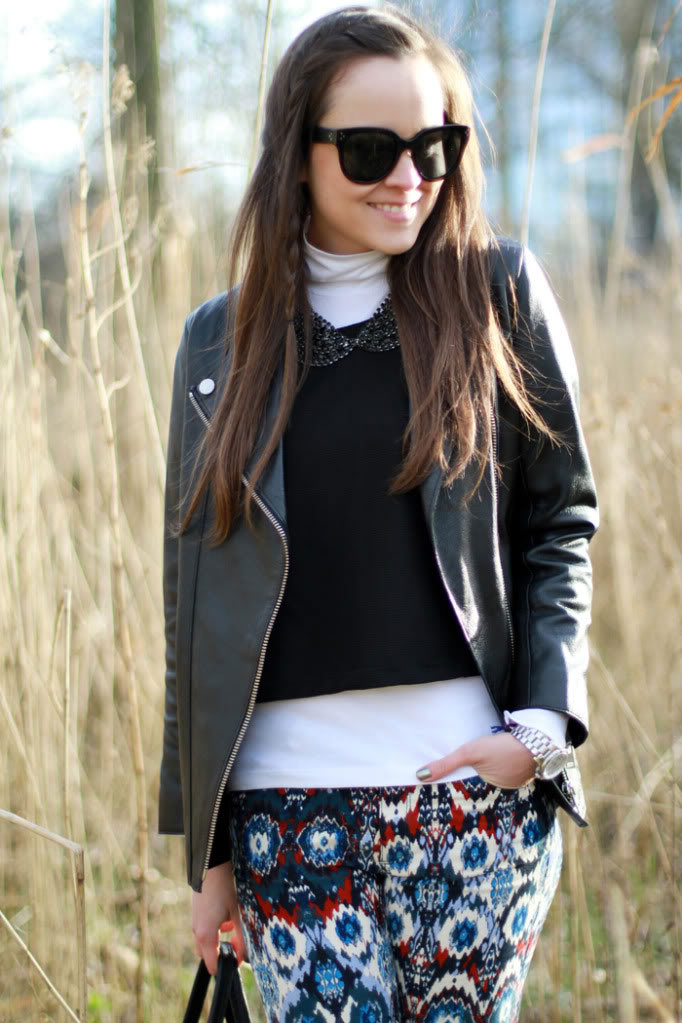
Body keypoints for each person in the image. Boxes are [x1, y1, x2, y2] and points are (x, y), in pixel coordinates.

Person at [159, 6, 598, 1021]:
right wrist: (210, 855)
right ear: (298, 154)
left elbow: (560, 520)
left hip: (470, 804)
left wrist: (541, 727)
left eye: (433, 146)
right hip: (284, 817)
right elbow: (194, 606)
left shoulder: (496, 296)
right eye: (369, 149)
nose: (408, 177)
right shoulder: (218, 345)